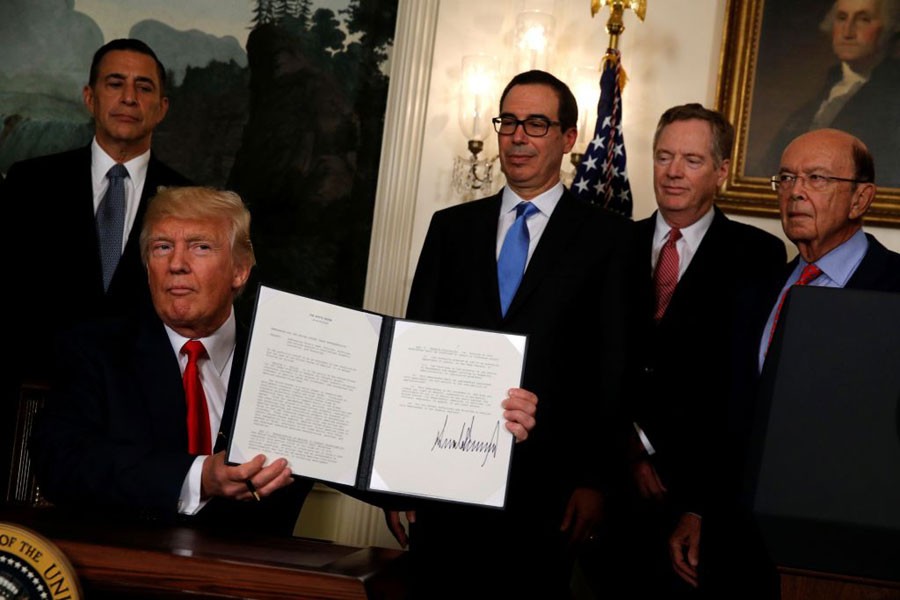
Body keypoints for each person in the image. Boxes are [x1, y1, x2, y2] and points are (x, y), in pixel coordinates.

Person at [386, 69, 633, 599]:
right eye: (510, 122)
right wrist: (399, 474)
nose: (518, 137)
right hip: (443, 484)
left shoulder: (608, 239)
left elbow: (612, 368)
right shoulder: (451, 228)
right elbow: (416, 350)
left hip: (548, 490)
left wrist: (594, 481)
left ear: (569, 139)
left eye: (537, 124)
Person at [670, 128, 900, 597]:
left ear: (861, 198)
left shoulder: (894, 288)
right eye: (787, 178)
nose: (795, 192)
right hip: (740, 547)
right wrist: (699, 509)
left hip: (851, 553)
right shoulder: (757, 290)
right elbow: (729, 415)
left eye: (816, 178)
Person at [587, 104, 786, 599]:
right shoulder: (609, 245)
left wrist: (700, 502)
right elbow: (587, 360)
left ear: (721, 171)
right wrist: (627, 447)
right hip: (605, 489)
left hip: (697, 498)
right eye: (663, 156)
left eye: (691, 160)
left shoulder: (757, 254)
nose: (673, 171)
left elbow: (745, 387)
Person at [3, 38, 190, 503]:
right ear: (90, 96)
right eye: (115, 83)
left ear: (162, 107)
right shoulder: (29, 183)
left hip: (135, 432)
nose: (129, 98)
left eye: (144, 87)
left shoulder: (189, 201)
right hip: (22, 410)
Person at [759, 0, 900, 186]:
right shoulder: (826, 88)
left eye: (863, 19)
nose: (847, 31)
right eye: (841, 18)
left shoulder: (892, 96)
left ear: (888, 28)